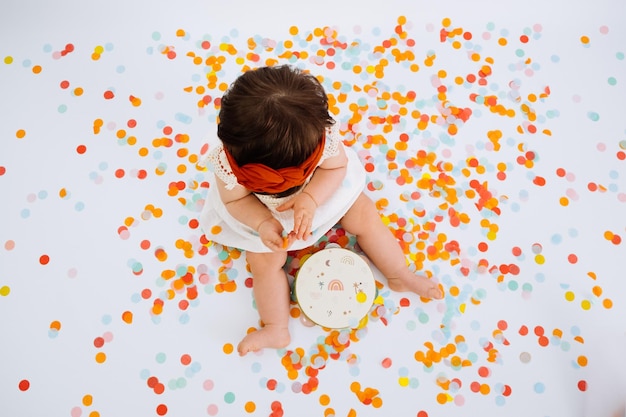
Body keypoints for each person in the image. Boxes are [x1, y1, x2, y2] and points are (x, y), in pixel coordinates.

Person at [200, 65, 443, 356]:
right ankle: (276, 327)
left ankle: (398, 272)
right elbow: (236, 202)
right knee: (264, 262)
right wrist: (264, 223)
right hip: (264, 210)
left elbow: (336, 167)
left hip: (321, 192)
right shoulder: (228, 165)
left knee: (363, 213)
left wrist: (312, 198)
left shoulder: (323, 141)